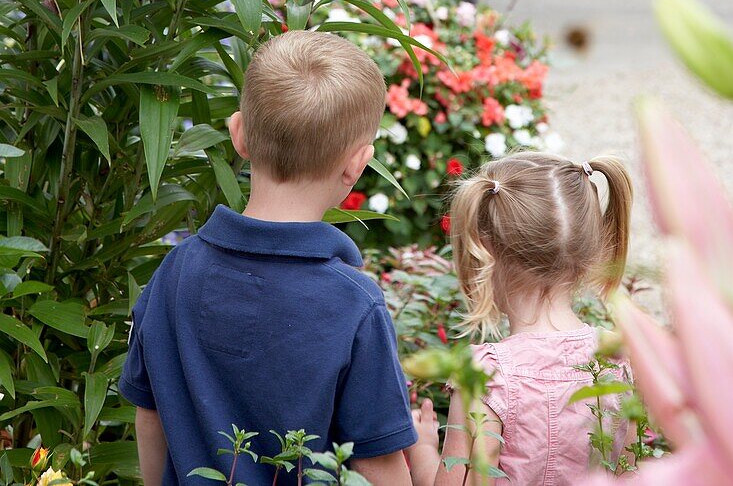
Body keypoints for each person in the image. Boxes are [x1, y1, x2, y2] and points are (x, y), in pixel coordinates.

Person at [120, 31, 417, 486]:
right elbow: (376, 465)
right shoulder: (355, 304)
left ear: (238, 134)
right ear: (357, 165)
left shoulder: (176, 272)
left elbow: (150, 416)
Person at [409, 152, 634, 485]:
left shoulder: (484, 375)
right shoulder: (617, 358)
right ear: (590, 249)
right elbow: (631, 471)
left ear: (482, 249)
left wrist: (422, 450)